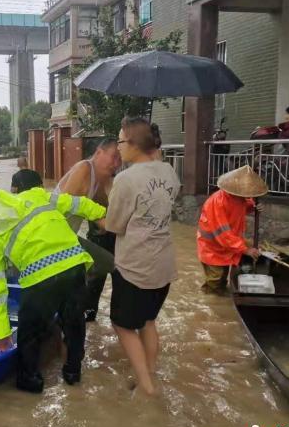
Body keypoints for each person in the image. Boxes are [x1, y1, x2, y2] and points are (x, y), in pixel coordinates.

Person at [0, 184, 106, 393]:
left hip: (40, 276)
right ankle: (73, 375)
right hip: (74, 263)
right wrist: (101, 215)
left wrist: (2, 333)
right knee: (74, 323)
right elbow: (76, 202)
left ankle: (30, 385)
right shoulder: (34, 195)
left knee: (29, 333)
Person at [106, 118, 180, 396]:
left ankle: (147, 387)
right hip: (163, 265)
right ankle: (149, 374)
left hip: (135, 267)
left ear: (135, 144)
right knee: (148, 321)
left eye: (121, 141)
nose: (119, 148)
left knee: (123, 325)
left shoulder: (126, 179)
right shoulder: (170, 172)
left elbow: (115, 225)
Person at [54, 138, 121, 322]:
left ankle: (82, 312)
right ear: (99, 152)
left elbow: (105, 212)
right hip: (54, 239)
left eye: (120, 159)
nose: (116, 163)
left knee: (107, 264)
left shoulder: (99, 180)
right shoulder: (84, 168)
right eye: (113, 157)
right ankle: (72, 312)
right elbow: (63, 207)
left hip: (67, 239)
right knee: (98, 267)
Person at [197, 165, 268, 296]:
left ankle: (220, 294)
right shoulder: (217, 203)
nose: (247, 196)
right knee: (215, 280)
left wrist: (254, 206)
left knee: (223, 276)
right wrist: (245, 249)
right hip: (212, 248)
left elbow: (242, 207)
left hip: (228, 245)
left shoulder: (238, 199)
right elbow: (223, 235)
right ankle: (211, 302)